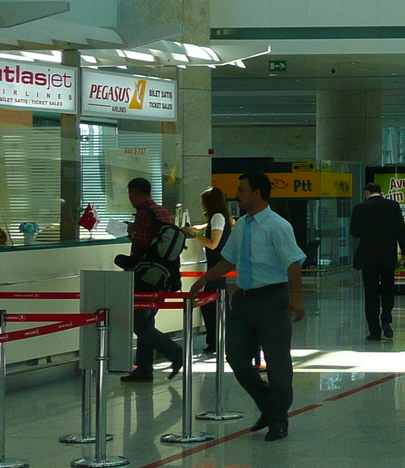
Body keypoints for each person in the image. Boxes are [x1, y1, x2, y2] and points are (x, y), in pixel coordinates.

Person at [189, 171, 305, 441]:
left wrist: (296, 299)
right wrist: (204, 278)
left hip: (273, 299)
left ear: (257, 193)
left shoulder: (278, 226)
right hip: (243, 301)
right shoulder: (241, 225)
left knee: (277, 364)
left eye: (242, 189)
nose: (236, 194)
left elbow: (292, 263)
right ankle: (270, 406)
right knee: (237, 359)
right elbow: (228, 260)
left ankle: (278, 420)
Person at [116, 177, 185, 383]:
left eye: (129, 194)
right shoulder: (162, 211)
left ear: (135, 193)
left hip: (145, 276)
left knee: (139, 322)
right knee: (147, 319)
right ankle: (144, 368)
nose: (129, 198)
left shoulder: (144, 213)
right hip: (163, 275)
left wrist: (132, 233)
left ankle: (175, 352)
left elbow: (143, 246)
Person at [350, 181, 405, 341]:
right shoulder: (393, 206)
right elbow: (401, 231)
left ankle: (374, 331)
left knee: (371, 294)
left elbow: (354, 232)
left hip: (368, 257)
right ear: (380, 192)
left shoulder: (359, 208)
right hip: (387, 256)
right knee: (388, 288)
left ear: (367, 193)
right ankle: (386, 319)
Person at [182, 186, 233, 356]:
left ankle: (216, 342)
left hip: (217, 265)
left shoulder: (217, 217)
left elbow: (213, 243)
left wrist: (194, 234)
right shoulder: (218, 217)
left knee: (211, 305)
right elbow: (208, 227)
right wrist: (195, 229)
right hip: (218, 264)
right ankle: (218, 341)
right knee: (216, 304)